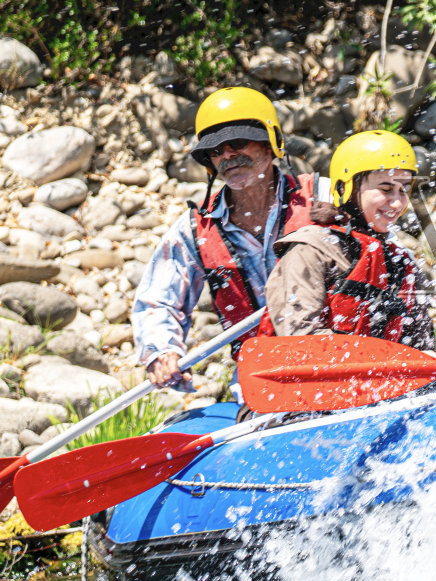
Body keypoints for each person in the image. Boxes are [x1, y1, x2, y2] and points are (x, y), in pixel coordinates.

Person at [132, 87, 332, 387]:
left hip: (338, 359)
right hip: (262, 377)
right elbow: (158, 302)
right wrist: (161, 350)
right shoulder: (195, 229)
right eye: (215, 150)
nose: (227, 155)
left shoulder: (325, 197)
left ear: (271, 145)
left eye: (237, 143)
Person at [263, 130, 435, 349]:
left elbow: (422, 345)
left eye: (403, 190)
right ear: (346, 188)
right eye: (385, 189)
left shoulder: (399, 260)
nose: (396, 203)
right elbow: (300, 342)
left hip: (375, 378)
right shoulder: (310, 250)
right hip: (310, 379)